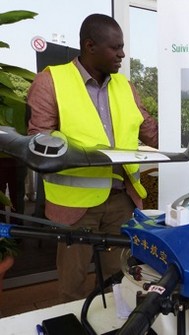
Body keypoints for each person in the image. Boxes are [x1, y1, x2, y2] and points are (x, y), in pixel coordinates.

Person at [27, 13, 158, 302]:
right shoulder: (51, 81)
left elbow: (148, 128)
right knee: (73, 285)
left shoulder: (126, 86)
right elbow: (38, 140)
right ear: (90, 46)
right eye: (116, 48)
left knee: (121, 281)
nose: (122, 54)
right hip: (75, 207)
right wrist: (89, 153)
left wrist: (180, 139)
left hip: (121, 201)